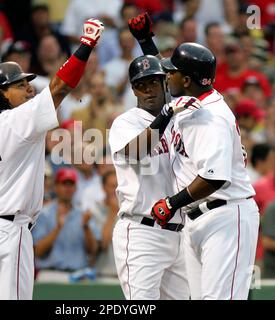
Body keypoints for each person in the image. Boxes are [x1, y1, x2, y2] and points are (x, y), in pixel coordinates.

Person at [0, 18, 104, 300]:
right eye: (19, 85)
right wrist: (86, 45)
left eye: (26, 83)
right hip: (6, 231)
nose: (29, 89)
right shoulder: (18, 119)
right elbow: (59, 88)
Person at [128, 13, 259, 300]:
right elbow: (171, 72)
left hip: (225, 214)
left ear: (186, 79)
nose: (166, 75)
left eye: (172, 72)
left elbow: (215, 178)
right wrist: (145, 41)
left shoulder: (210, 116)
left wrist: (171, 203)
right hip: (197, 218)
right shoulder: (192, 97)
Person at [109, 54, 201, 300]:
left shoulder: (178, 121)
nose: (148, 90)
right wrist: (166, 114)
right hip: (142, 231)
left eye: (153, 82)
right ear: (133, 90)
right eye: (141, 85)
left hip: (179, 233)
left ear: (164, 82)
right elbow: (137, 152)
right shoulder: (126, 122)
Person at [32, 168, 100, 273]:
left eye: (71, 184)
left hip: (77, 275)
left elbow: (93, 251)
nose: (68, 188)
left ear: (76, 188)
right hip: (50, 273)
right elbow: (38, 252)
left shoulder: (83, 214)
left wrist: (86, 227)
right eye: (64, 183)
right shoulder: (44, 213)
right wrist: (58, 228)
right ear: (56, 186)